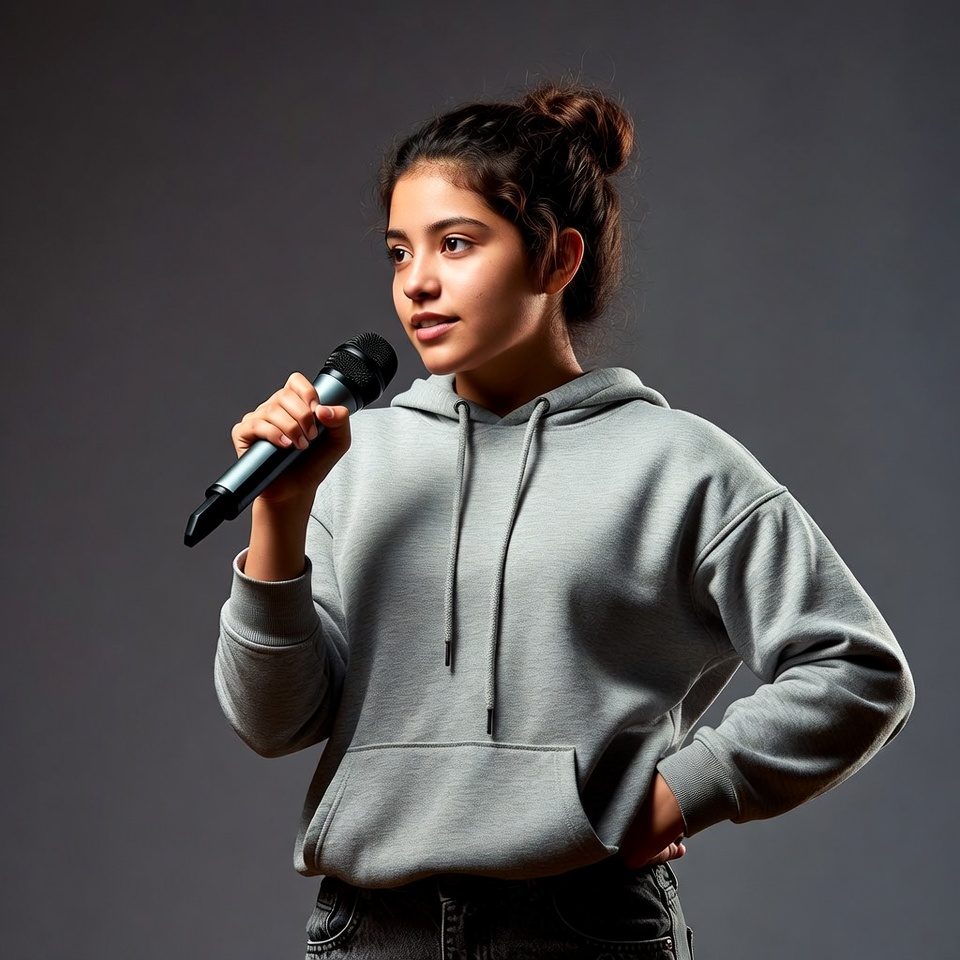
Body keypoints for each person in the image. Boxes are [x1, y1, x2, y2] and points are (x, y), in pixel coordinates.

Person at [214, 83, 914, 959]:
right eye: (400, 252)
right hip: (368, 929)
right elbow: (271, 722)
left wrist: (689, 788)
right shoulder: (351, 459)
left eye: (457, 244)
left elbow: (856, 669)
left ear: (556, 257)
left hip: (585, 928)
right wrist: (281, 513)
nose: (418, 282)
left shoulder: (676, 462)